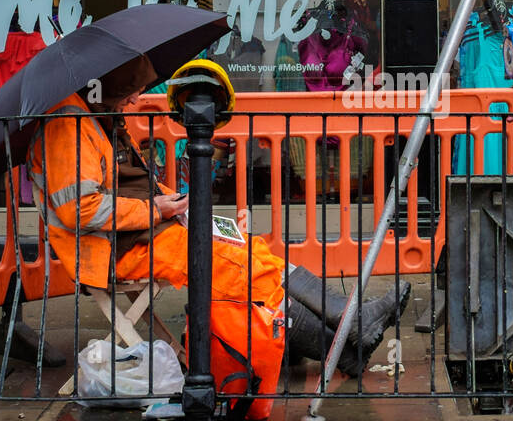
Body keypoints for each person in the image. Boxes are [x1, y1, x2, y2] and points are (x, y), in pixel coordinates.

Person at [26, 57, 407, 385]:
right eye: (131, 89)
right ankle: (344, 331)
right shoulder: (70, 125)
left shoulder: (99, 116)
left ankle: (344, 329)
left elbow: (125, 184)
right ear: (107, 85)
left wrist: (170, 201)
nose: (135, 99)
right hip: (114, 249)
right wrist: (158, 208)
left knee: (247, 248)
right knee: (230, 267)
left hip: (143, 232)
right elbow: (81, 209)